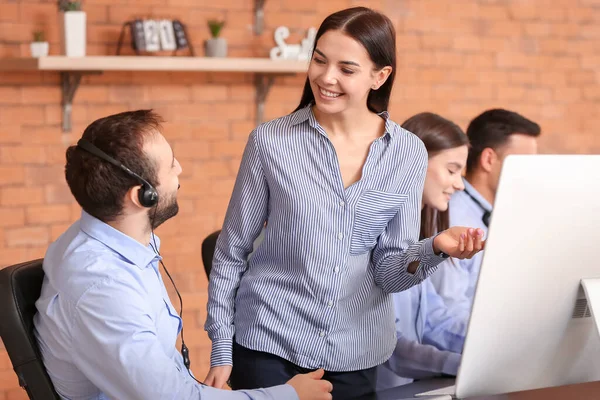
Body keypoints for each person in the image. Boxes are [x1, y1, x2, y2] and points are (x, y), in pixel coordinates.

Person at [204, 7, 484, 399]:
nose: (326, 77)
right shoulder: (271, 142)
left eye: (346, 69)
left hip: (356, 353)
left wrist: (435, 247)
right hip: (268, 343)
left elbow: (388, 272)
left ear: (379, 76)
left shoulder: (407, 153)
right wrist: (220, 348)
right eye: (319, 60)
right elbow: (231, 251)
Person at [33, 110, 333, 400]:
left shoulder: (104, 238)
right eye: (170, 165)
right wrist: (290, 395)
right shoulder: (104, 288)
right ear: (143, 195)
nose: (180, 168)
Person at [375, 112, 471, 391]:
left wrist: (489, 344)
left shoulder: (419, 237)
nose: (460, 184)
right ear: (415, 162)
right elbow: (390, 347)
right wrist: (457, 365)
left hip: (410, 388)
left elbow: (434, 321)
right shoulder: (376, 233)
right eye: (452, 170)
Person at [430, 109, 540, 315]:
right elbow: (450, 308)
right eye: (524, 163)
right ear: (488, 159)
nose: (531, 173)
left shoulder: (508, 213)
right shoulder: (448, 215)